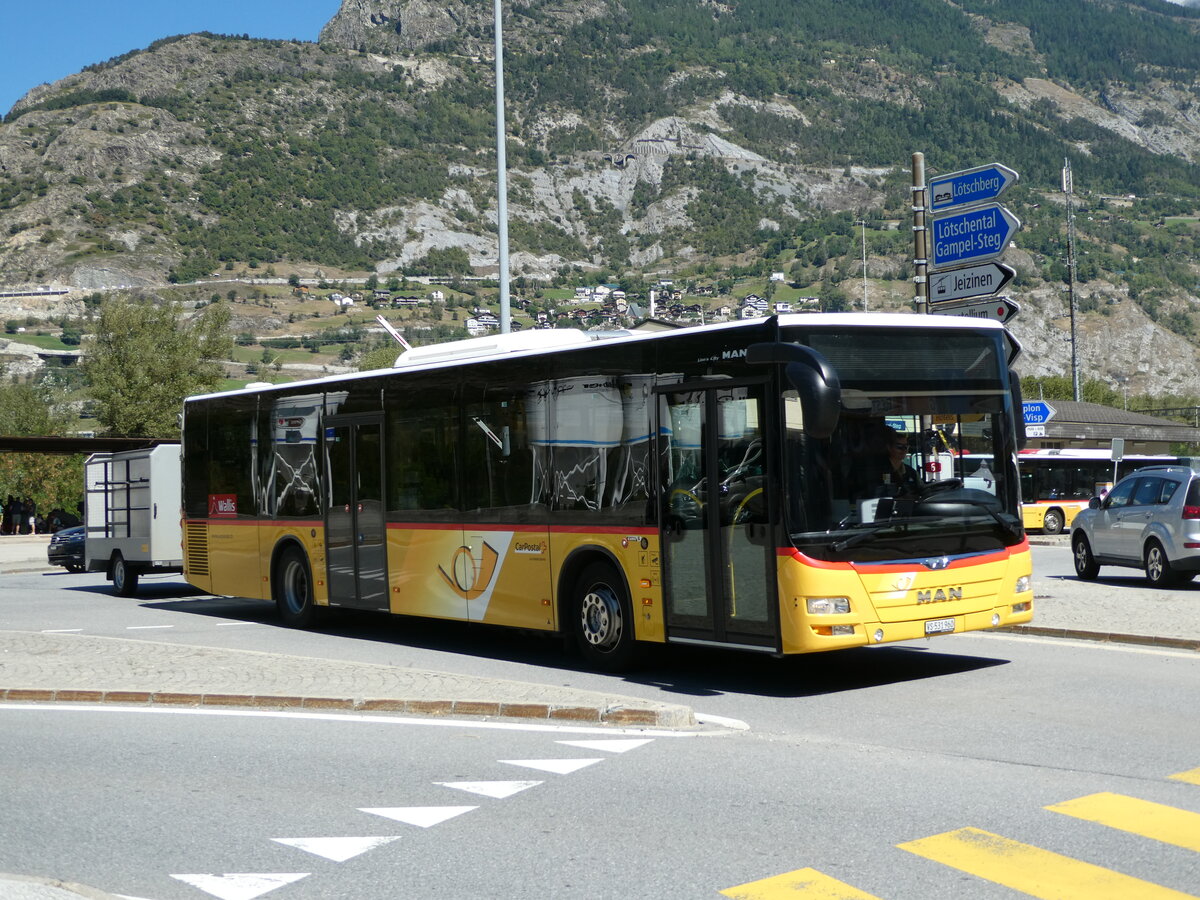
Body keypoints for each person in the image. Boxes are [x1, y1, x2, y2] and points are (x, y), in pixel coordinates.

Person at [881, 427, 921, 494]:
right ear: (889, 447)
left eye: (906, 447)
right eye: (899, 447)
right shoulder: (881, 471)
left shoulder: (912, 472)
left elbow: (922, 490)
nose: (903, 450)